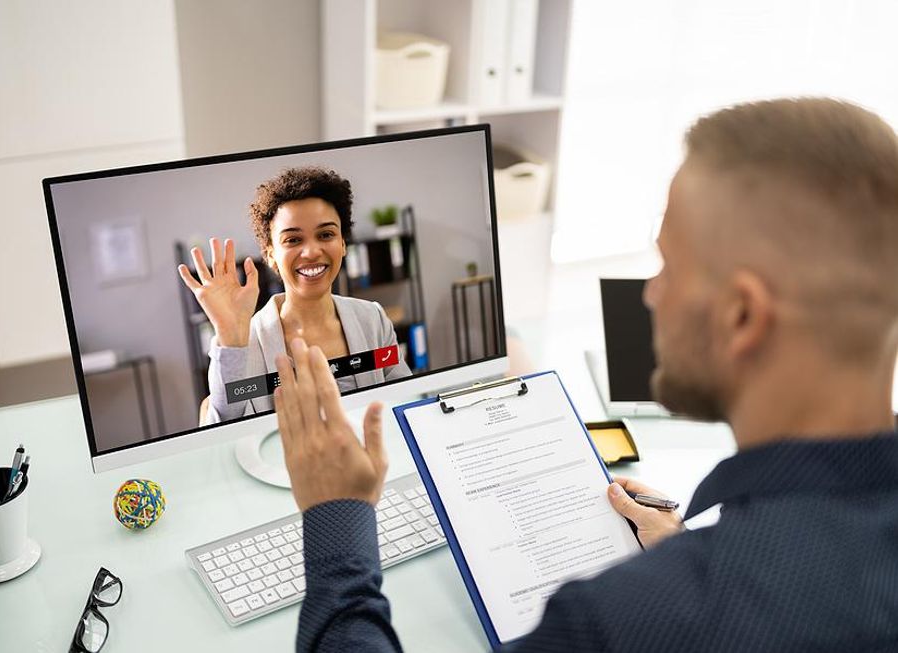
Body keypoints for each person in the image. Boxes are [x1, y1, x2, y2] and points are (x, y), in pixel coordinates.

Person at [273, 97, 898, 652]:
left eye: (669, 267)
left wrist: (337, 512)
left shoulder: (626, 619)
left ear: (742, 315)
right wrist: (684, 550)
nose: (651, 295)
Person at [177, 166, 410, 423]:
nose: (311, 251)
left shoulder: (372, 319)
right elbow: (221, 433)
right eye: (293, 240)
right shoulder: (245, 343)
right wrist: (231, 339)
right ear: (270, 255)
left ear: (342, 244)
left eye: (326, 234)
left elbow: (406, 402)